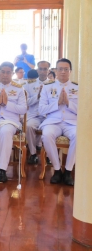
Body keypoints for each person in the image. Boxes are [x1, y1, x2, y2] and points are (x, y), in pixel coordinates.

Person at [39, 58, 77, 186]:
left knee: (78, 136)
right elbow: (41, 109)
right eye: (60, 69)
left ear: (70, 71)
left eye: (66, 69)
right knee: (47, 134)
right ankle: (56, 170)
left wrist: (68, 103)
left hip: (71, 122)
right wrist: (57, 103)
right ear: (55, 71)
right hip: (53, 121)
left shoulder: (77, 88)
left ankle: (68, 171)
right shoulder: (47, 87)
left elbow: (83, 110)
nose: (63, 72)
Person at [24, 61, 50, 164]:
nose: (43, 71)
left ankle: (49, 154)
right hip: (34, 115)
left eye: (45, 69)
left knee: (51, 130)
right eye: (41, 69)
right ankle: (33, 153)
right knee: (29, 126)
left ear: (48, 70)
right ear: (37, 70)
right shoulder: (29, 85)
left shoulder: (53, 84)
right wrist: (38, 96)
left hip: (48, 116)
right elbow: (26, 102)